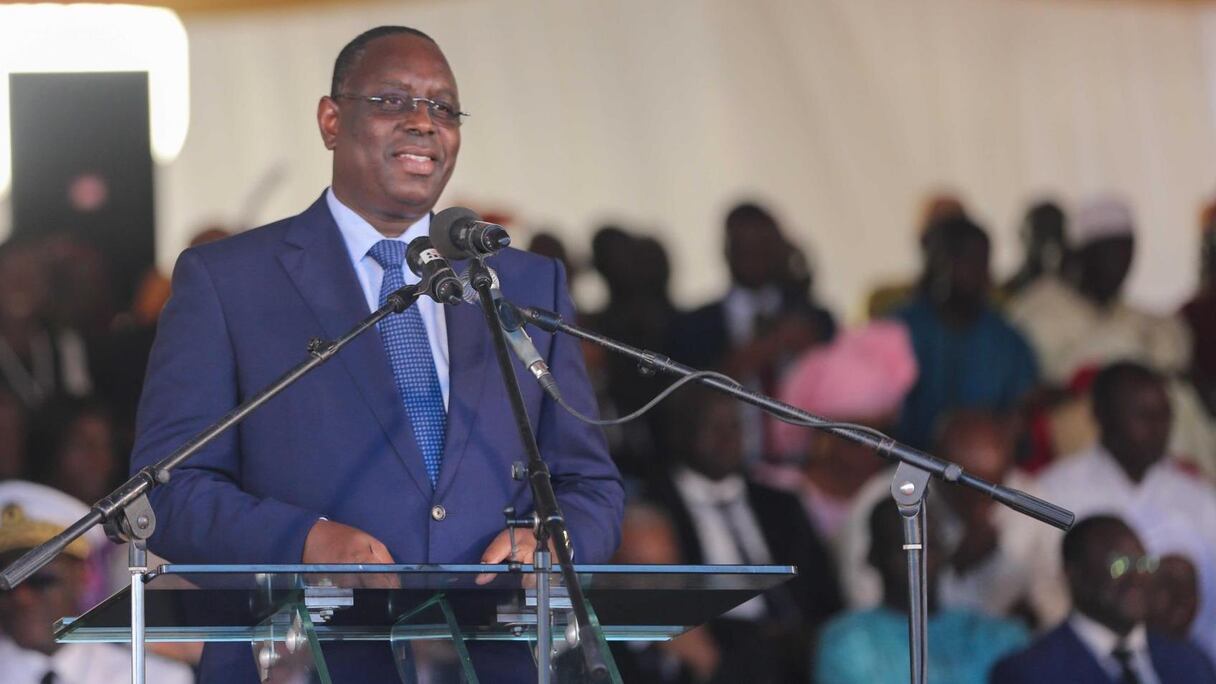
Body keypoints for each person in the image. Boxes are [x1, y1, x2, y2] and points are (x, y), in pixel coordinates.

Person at [128, 26, 623, 682]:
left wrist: (552, 544)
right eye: (394, 101)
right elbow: (166, 491)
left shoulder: (521, 283)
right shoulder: (230, 282)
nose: (424, 122)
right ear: (331, 120)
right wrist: (302, 543)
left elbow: (589, 485)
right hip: (301, 659)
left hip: (493, 658)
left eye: (443, 107)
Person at [644, 385, 842, 683]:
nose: (728, 438)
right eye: (713, 427)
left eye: (735, 426)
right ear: (681, 431)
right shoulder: (656, 508)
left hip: (794, 647)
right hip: (716, 649)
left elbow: (825, 592)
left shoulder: (781, 504)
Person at [1034, 361, 1216, 627]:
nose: (1158, 428)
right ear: (1102, 416)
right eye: (1143, 416)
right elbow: (1048, 589)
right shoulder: (1054, 490)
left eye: (1164, 415)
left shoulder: (1198, 495)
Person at [835, 410, 1056, 624]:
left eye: (990, 494)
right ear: (935, 471)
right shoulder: (883, 504)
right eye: (969, 496)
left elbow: (1049, 604)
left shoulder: (1028, 499)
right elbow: (867, 606)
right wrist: (952, 566)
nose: (982, 510)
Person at [669, 202, 832, 465]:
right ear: (727, 250)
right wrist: (768, 347)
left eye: (762, 245)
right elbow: (688, 401)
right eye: (744, 246)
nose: (753, 255)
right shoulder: (694, 325)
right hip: (731, 467)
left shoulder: (815, 319)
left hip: (809, 466)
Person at [814, 497, 1027, 684]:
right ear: (873, 557)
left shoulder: (995, 636)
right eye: (903, 547)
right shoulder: (847, 641)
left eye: (928, 544)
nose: (919, 560)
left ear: (945, 552)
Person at [0, 480, 194, 684]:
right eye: (5, 586)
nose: (22, 597)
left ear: (82, 576)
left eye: (41, 582)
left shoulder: (154, 677)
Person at [991, 516, 1216, 684]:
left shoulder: (1189, 659)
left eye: (1142, 563)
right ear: (1075, 576)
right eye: (1119, 565)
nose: (1136, 578)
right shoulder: (1029, 673)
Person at [890, 215, 1039, 450]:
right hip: (905, 468)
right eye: (969, 261)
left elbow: (1021, 413)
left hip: (981, 473)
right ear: (942, 264)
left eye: (984, 262)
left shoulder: (1008, 341)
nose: (982, 273)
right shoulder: (900, 330)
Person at [768, 319, 918, 546]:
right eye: (858, 438)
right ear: (822, 438)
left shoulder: (894, 496)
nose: (872, 449)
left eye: (881, 435)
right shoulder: (777, 495)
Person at [1003, 200, 1067, 298]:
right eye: (1041, 233)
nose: (1048, 242)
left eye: (1054, 232)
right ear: (1023, 235)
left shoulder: (1069, 289)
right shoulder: (1006, 293)